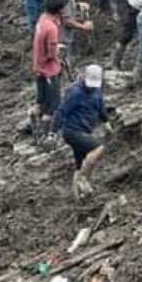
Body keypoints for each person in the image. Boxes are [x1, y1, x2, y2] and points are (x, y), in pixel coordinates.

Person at [56, 64, 112, 200]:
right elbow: (61, 111)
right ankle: (83, 179)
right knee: (98, 148)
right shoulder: (75, 92)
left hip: (84, 131)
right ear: (83, 76)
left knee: (80, 164)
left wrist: (106, 122)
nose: (91, 87)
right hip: (72, 131)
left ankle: (79, 198)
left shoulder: (97, 90)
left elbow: (101, 107)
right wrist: (52, 132)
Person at [32, 0, 67, 133]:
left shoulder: (42, 20)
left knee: (41, 101)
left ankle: (34, 119)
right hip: (50, 71)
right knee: (52, 105)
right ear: (59, 9)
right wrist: (59, 50)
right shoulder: (51, 28)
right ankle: (47, 134)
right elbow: (52, 54)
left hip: (39, 67)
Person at [55, 0, 94, 65]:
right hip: (62, 39)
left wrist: (77, 6)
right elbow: (67, 21)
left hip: (57, 37)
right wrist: (84, 27)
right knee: (63, 64)